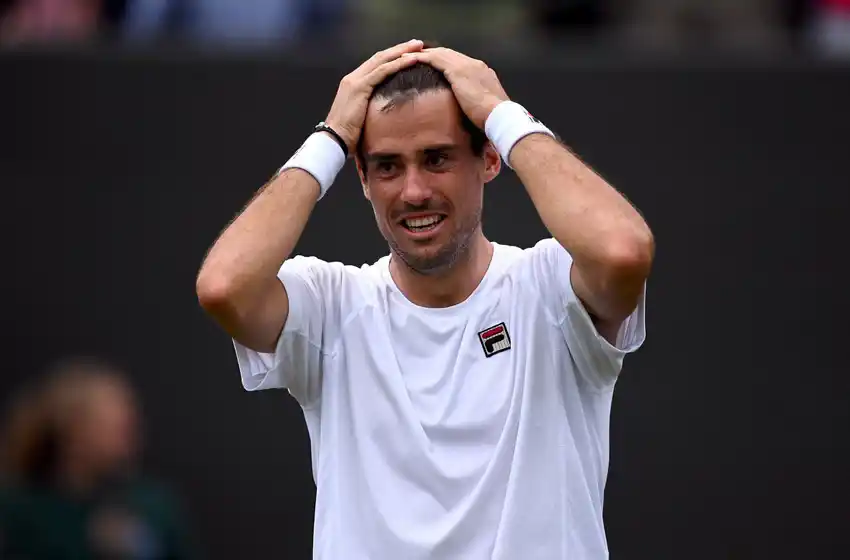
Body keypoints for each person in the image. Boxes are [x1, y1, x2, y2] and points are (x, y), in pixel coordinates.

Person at [196, 39, 654, 559]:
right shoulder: (331, 306)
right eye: (387, 166)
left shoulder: (549, 286)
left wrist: (503, 115)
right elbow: (223, 287)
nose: (413, 191)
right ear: (362, 179)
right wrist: (330, 138)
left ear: (488, 159)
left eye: (436, 159)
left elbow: (623, 251)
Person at [0, 358, 194, 559]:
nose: (130, 440)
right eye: (115, 429)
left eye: (130, 428)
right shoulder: (19, 511)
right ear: (73, 430)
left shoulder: (153, 506)